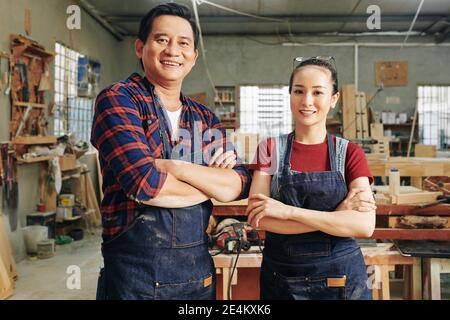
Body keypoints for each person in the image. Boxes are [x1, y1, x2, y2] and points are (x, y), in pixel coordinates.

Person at [91, 3, 251, 300]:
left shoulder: (203, 117)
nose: (172, 51)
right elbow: (145, 184)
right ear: (140, 47)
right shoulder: (119, 100)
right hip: (134, 277)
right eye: (162, 40)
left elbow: (240, 183)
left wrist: (175, 168)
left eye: (183, 43)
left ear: (193, 57)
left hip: (197, 278)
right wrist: (212, 181)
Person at [246, 57, 376, 300]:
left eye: (317, 92)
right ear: (290, 95)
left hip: (341, 278)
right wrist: (338, 216)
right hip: (282, 279)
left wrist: (288, 212)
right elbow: (258, 219)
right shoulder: (269, 149)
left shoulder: (350, 153)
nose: (307, 101)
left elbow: (364, 225)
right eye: (299, 91)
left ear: (334, 99)